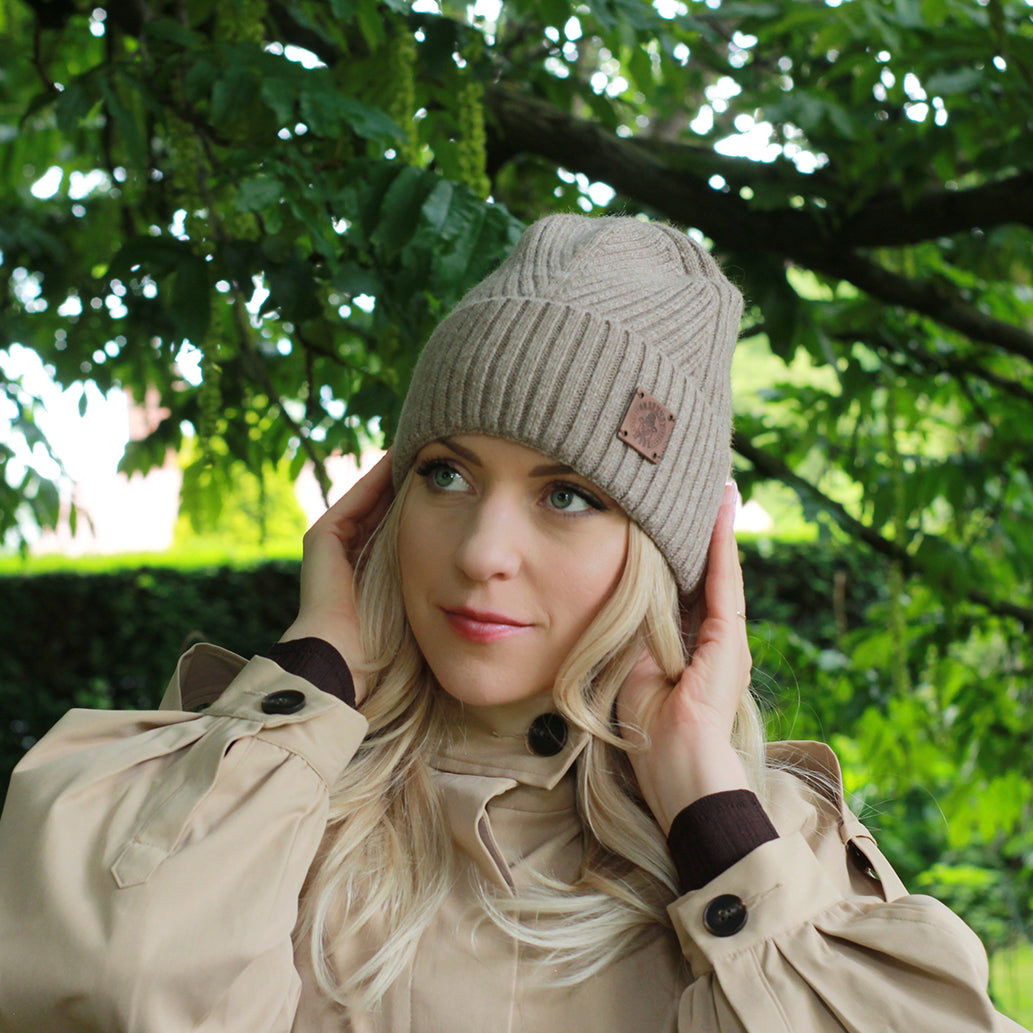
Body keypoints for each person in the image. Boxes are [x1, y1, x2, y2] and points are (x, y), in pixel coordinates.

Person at [0, 215, 1024, 1033]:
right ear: (383, 504)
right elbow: (107, 987)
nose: (482, 549)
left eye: (568, 494)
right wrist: (310, 674)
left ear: (666, 559)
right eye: (446, 473)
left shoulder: (772, 854)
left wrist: (708, 810)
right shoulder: (256, 800)